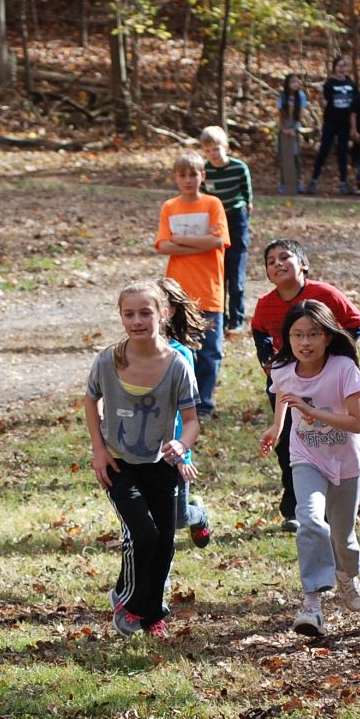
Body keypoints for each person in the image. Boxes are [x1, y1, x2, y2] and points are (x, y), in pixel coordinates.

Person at [84, 281, 201, 640]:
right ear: (121, 317)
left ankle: (151, 617)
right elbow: (91, 400)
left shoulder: (177, 365)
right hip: (119, 465)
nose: (137, 321)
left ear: (163, 314)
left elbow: (192, 421)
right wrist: (99, 449)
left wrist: (181, 444)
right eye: (129, 314)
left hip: (161, 466)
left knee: (164, 543)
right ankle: (129, 603)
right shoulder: (108, 360)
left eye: (145, 313)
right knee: (143, 535)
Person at [259, 301, 360, 638]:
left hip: (346, 462)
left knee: (343, 539)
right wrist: (276, 428)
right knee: (308, 520)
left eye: (313, 334)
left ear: (327, 336)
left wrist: (312, 412)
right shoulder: (282, 369)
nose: (304, 342)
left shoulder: (343, 369)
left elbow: (357, 422)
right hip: (306, 457)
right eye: (297, 335)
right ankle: (312, 604)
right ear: (287, 338)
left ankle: (346, 575)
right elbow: (284, 395)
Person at [249, 240, 360, 533]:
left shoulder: (324, 294)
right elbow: (259, 331)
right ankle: (296, 508)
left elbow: (356, 323)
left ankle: (333, 500)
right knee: (290, 441)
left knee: (328, 436)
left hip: (327, 379)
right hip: (288, 377)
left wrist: (334, 357)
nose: (277, 264)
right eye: (270, 261)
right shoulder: (265, 304)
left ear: (303, 265)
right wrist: (269, 361)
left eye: (284, 257)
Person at [151, 150, 228, 419]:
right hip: (177, 292)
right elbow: (163, 245)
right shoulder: (170, 207)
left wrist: (180, 240)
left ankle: (204, 403)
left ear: (202, 176)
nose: (188, 180)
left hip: (209, 289)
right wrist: (200, 243)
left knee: (210, 351)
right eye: (182, 175)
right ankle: (183, 403)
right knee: (179, 349)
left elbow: (218, 241)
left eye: (193, 174)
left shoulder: (212, 204)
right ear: (175, 178)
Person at [153, 277, 212, 548]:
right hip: (142, 447)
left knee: (178, 517)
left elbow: (184, 412)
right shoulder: (131, 352)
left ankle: (198, 514)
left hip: (173, 445)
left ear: (169, 312)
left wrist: (182, 455)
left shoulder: (180, 355)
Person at [198, 126, 254, 330]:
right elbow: (202, 198)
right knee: (219, 275)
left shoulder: (239, 168)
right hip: (215, 223)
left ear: (226, 147)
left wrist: (245, 218)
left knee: (236, 275)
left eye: (216, 149)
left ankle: (236, 321)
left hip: (236, 218)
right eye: (208, 150)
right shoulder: (205, 171)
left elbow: (247, 197)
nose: (213, 154)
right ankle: (220, 318)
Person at [308, 56, 359, 195]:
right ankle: (313, 181)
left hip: (345, 124)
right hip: (331, 122)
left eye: (344, 66)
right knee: (324, 151)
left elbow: (356, 104)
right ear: (334, 68)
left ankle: (343, 182)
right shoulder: (329, 84)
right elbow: (324, 104)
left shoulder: (351, 84)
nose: (342, 68)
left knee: (343, 153)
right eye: (339, 66)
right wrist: (320, 94)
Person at [277, 73, 308, 195]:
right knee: (284, 157)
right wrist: (284, 128)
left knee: (295, 157)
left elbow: (300, 115)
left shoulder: (301, 96)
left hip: (295, 129)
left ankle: (298, 183)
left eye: (297, 81)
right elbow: (280, 115)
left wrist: (294, 129)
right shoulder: (283, 97)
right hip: (284, 129)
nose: (296, 84)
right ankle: (283, 183)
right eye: (293, 82)